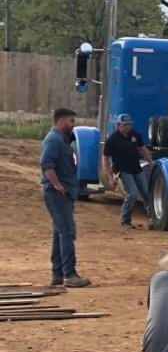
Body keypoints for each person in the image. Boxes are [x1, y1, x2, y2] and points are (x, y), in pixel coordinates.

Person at [40, 108, 92, 288]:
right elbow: (46, 165)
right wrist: (57, 185)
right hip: (57, 194)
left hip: (63, 193)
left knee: (59, 233)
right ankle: (69, 274)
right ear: (61, 121)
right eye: (71, 121)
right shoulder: (54, 140)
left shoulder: (60, 140)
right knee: (68, 233)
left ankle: (58, 274)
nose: (73, 125)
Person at [102, 113, 154, 229]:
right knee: (132, 193)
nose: (128, 127)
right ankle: (125, 220)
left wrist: (151, 163)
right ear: (119, 125)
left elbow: (143, 149)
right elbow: (105, 159)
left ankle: (153, 218)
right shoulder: (112, 139)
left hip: (136, 168)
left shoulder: (135, 135)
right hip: (123, 170)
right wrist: (110, 177)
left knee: (146, 192)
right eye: (125, 125)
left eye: (129, 124)